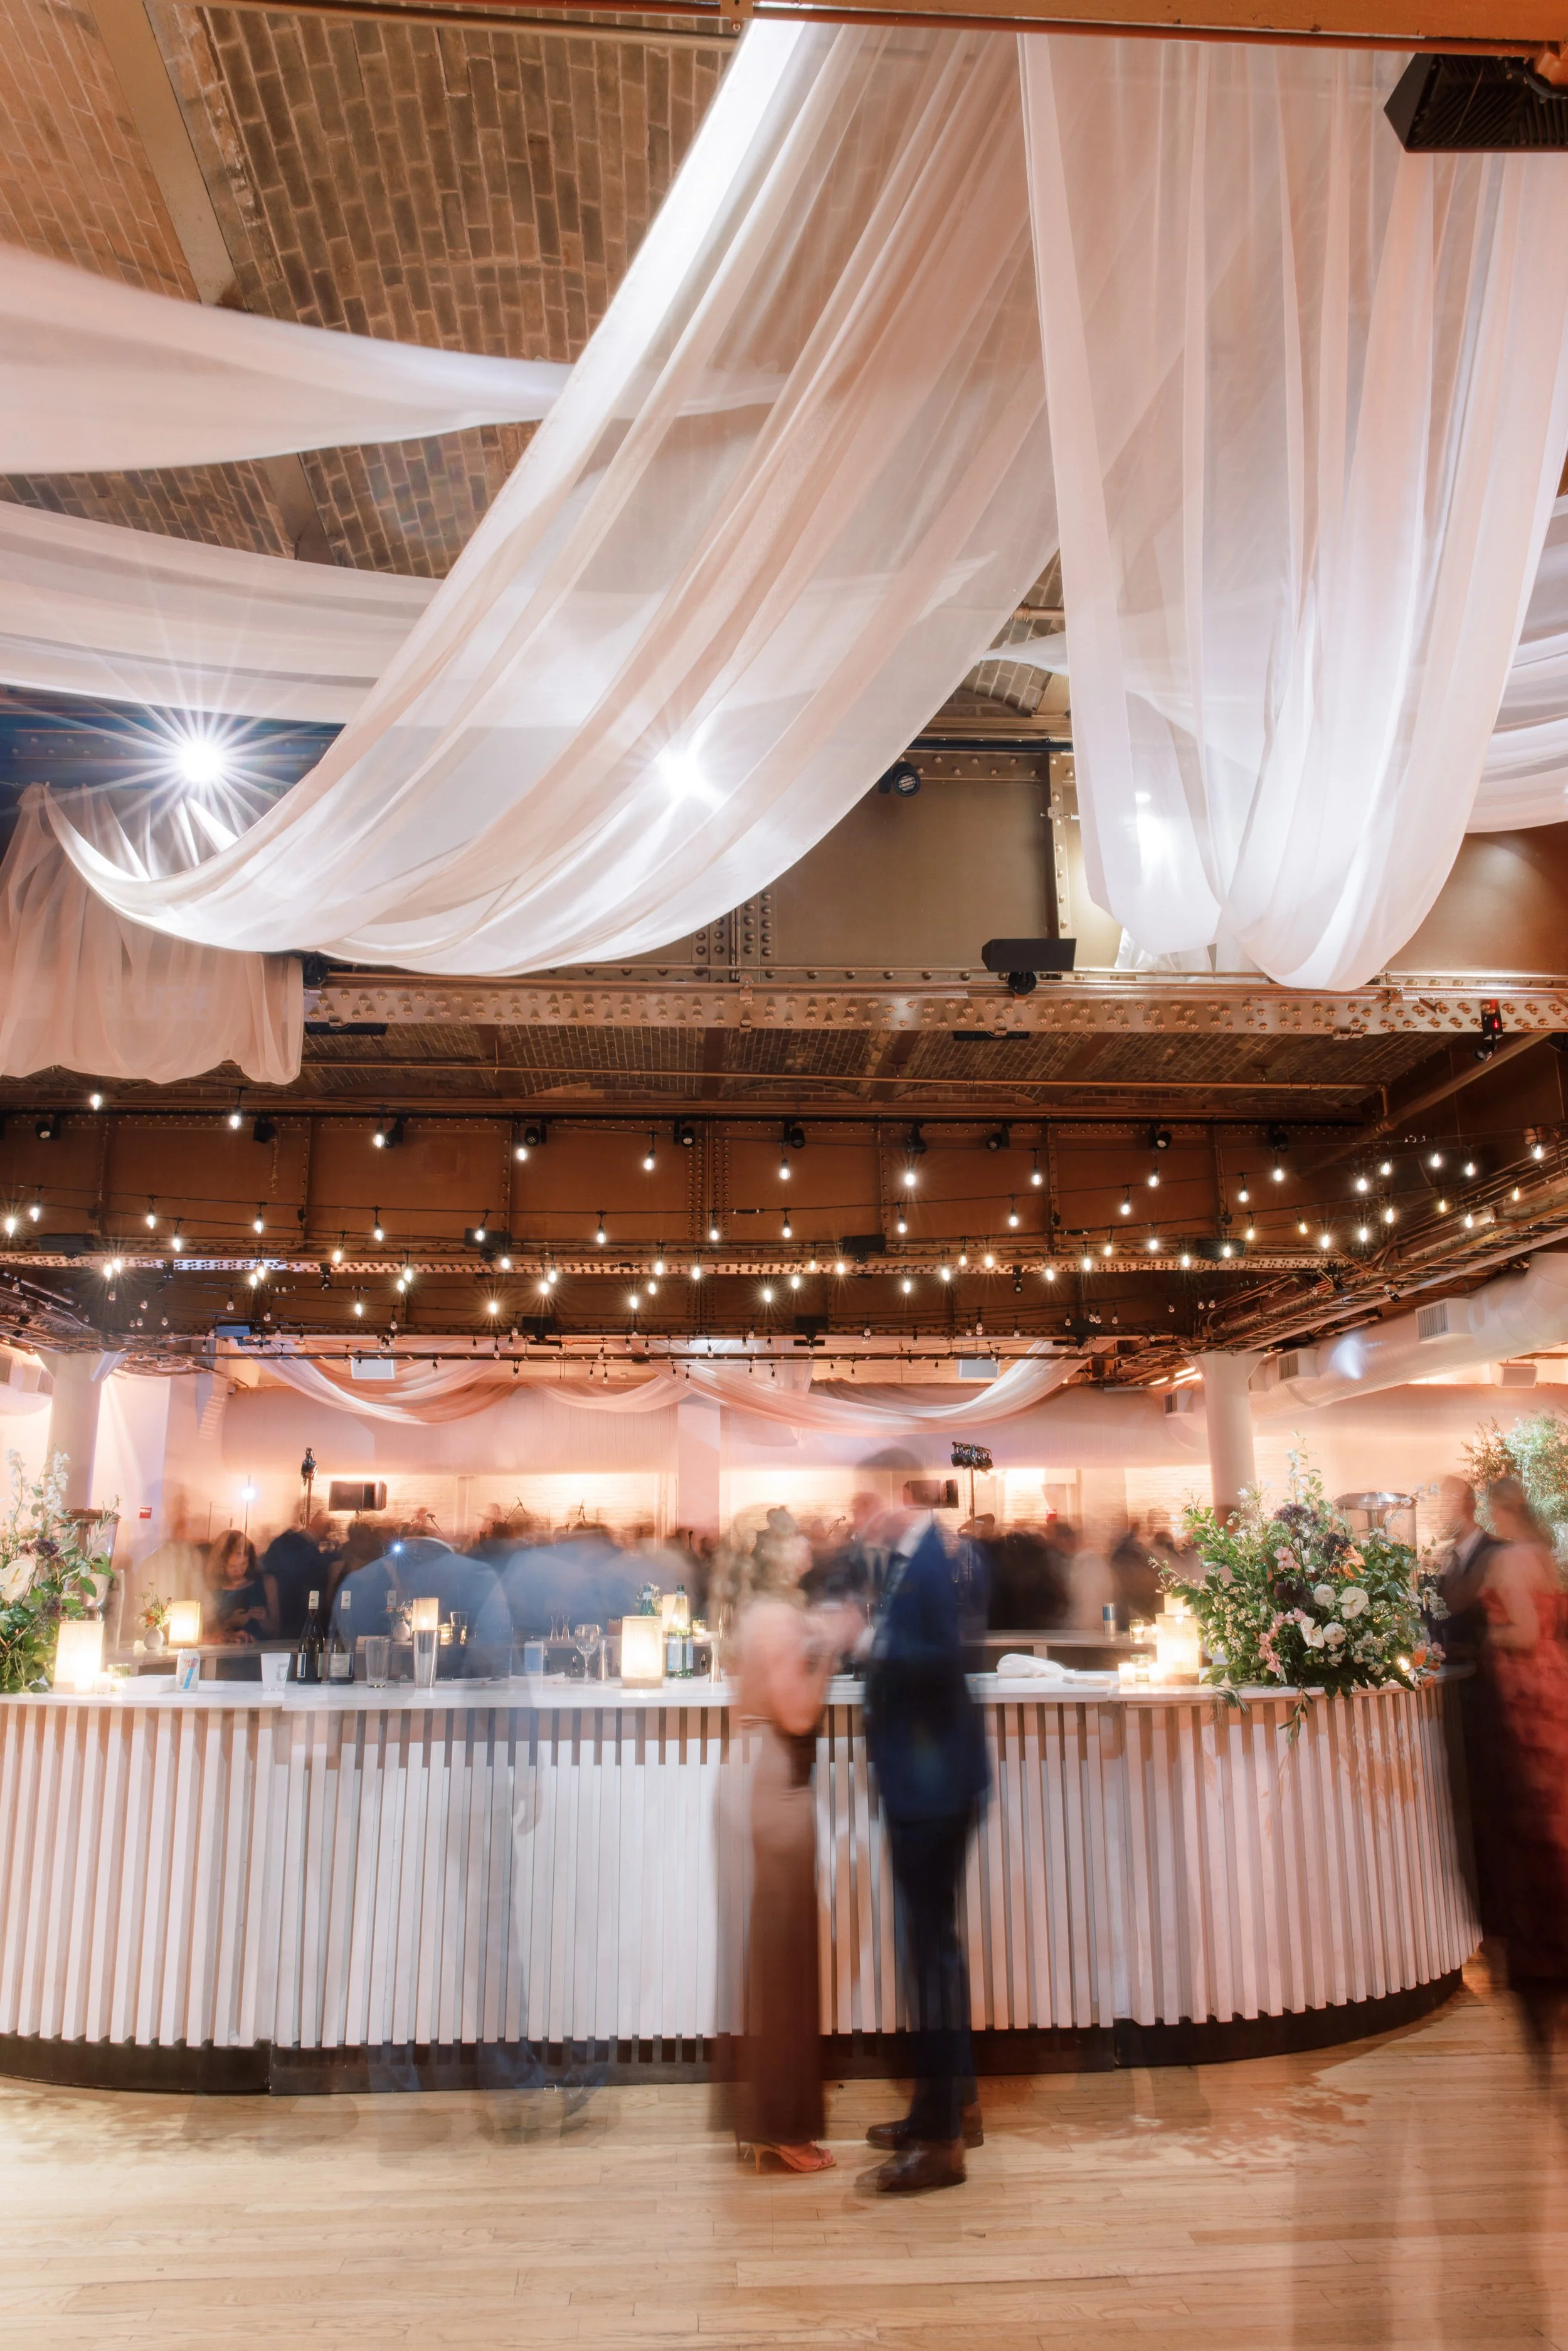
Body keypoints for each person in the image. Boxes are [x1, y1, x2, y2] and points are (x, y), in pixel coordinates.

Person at [861, 1507, 990, 2194]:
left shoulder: (934, 1565)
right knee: (934, 1958)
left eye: (861, 1502)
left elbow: (941, 1659)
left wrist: (868, 1642)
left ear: (892, 1501)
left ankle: (940, 2143)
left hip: (933, 1788)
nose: (853, 1516)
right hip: (931, 1785)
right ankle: (948, 2109)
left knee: (932, 1964)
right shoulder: (918, 1563)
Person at [729, 1563, 856, 2174]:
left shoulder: (761, 1619)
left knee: (773, 1957)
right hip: (784, 1791)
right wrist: (827, 1653)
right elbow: (800, 1715)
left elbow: (743, 1705)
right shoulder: (782, 1624)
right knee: (785, 1964)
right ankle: (783, 2128)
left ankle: (763, 2121)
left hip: (765, 1781)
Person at [1473, 1477, 1568, 2060]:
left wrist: (1489, 1633)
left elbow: (1525, 1632)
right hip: (1555, 1679)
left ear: (1499, 1510)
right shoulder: (1545, 1556)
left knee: (1530, 1815)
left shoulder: (1509, 1559)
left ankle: (1544, 1927)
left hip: (1524, 1690)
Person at [204, 1529, 266, 1644]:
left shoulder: (262, 1584)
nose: (239, 1571)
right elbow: (207, 1632)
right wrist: (230, 1623)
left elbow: (276, 1631)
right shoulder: (213, 1590)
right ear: (222, 1565)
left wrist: (264, 1619)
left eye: (244, 1564)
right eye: (233, 1567)